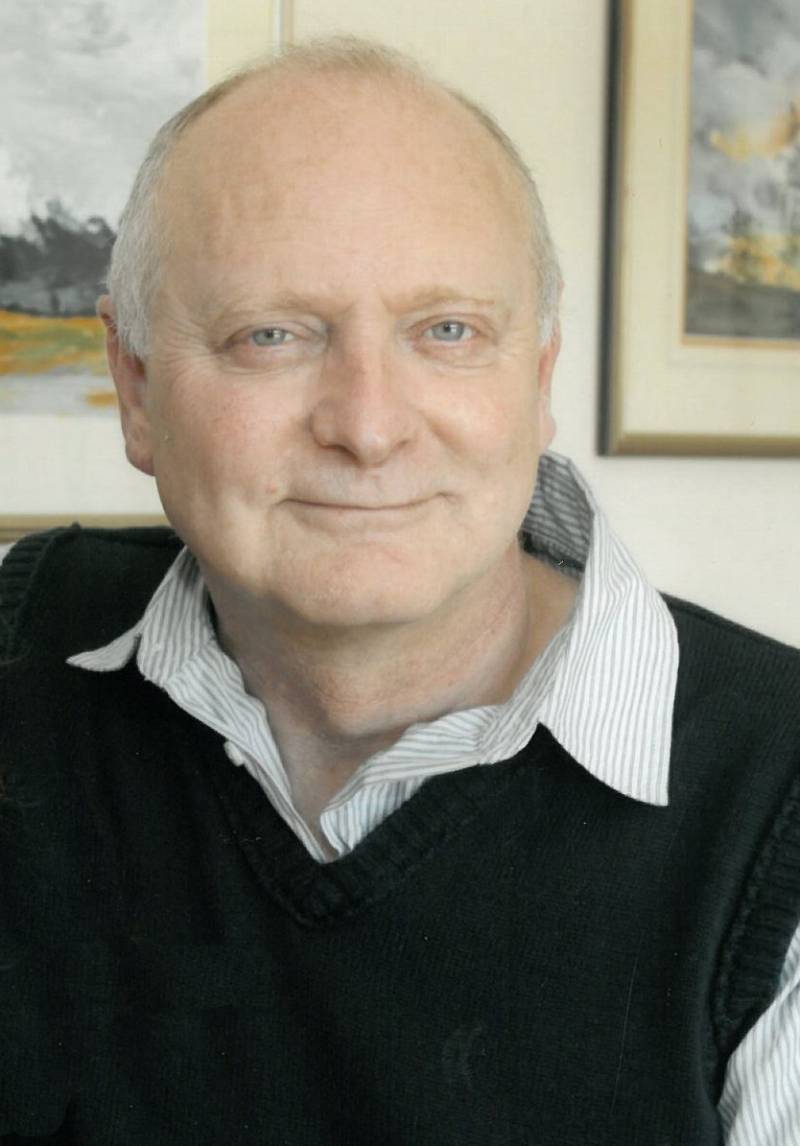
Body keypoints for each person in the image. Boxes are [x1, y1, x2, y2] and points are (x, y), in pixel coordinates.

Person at [1, 36, 798, 1146]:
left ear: (537, 378)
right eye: (272, 335)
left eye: (447, 331)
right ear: (134, 387)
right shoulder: (27, 649)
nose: (368, 426)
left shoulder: (774, 799)